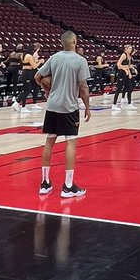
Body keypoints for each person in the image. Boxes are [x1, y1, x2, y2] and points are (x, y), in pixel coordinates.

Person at [36, 30, 91, 198]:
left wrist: (46, 90)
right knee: (71, 143)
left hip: (52, 106)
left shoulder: (54, 58)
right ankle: (68, 186)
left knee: (49, 142)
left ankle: (45, 184)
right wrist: (87, 107)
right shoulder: (80, 61)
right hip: (69, 107)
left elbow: (38, 76)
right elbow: (83, 87)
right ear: (74, 41)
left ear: (62, 43)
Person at [14, 43, 43, 110]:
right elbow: (34, 66)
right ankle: (19, 104)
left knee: (27, 89)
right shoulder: (29, 56)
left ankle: (21, 105)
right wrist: (40, 61)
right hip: (27, 73)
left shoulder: (24, 55)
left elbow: (30, 64)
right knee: (27, 89)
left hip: (27, 72)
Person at [113, 44, 138, 112]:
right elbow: (118, 64)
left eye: (131, 48)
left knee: (129, 88)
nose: (130, 50)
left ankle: (129, 104)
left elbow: (128, 66)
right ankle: (114, 105)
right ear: (126, 49)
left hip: (127, 73)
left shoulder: (129, 56)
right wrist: (125, 70)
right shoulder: (124, 55)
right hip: (121, 73)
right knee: (119, 89)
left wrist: (129, 73)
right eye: (129, 48)